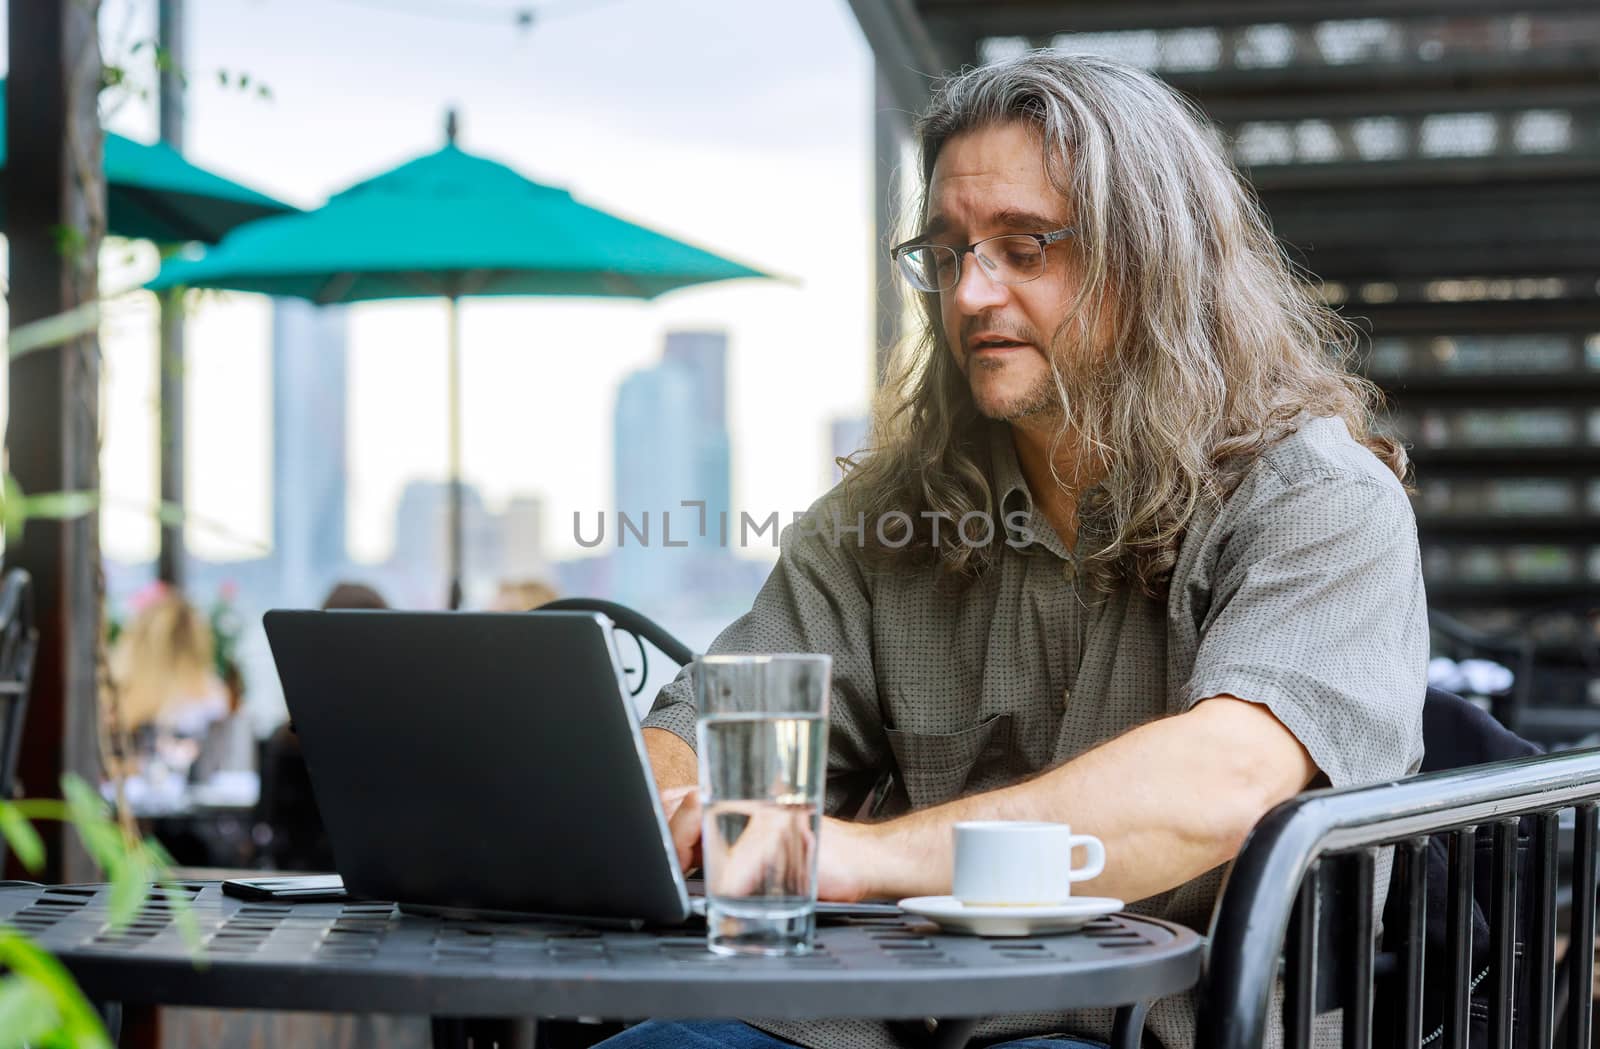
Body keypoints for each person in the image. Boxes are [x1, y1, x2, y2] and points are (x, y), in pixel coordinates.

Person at [608, 52, 1427, 1049]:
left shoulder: (1320, 501)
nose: (967, 293)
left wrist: (861, 856)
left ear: (1151, 258)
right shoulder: (889, 513)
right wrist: (668, 788)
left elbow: (1219, 783)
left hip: (1147, 1022)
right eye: (947, 252)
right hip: (873, 1012)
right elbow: (719, 709)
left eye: (1024, 247)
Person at [257, 581, 389, 870]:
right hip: (372, 885)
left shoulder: (288, 737)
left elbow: (270, 827)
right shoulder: (395, 737)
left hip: (300, 885)